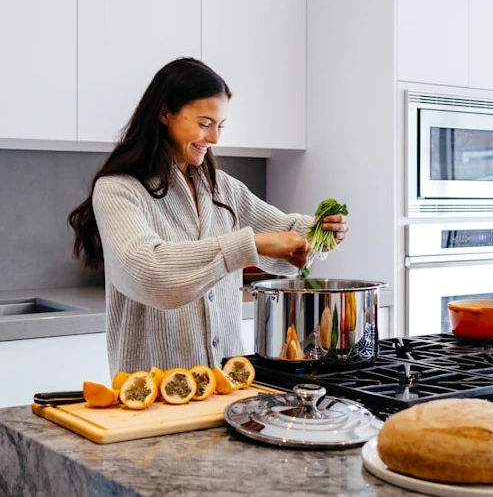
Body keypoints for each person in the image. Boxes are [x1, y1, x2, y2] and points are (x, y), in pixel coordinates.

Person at [68, 57, 348, 376]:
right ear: (164, 114)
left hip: (229, 386)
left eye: (220, 125)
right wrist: (249, 245)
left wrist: (322, 232)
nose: (215, 138)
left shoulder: (222, 187)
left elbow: (284, 232)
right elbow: (149, 272)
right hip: (152, 393)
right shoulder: (119, 190)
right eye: (204, 124)